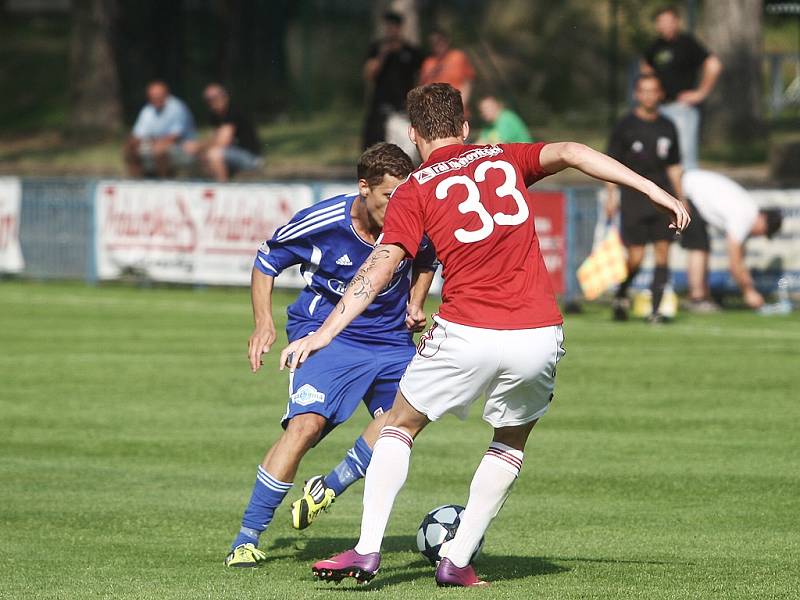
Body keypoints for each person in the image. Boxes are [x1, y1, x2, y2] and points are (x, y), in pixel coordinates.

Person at [281, 83, 689, 587]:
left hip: (467, 327)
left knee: (399, 425)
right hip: (538, 331)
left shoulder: (414, 188)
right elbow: (574, 151)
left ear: (413, 135)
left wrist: (324, 332)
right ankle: (457, 558)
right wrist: (654, 189)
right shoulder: (504, 156)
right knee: (511, 441)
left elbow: (381, 265)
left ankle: (366, 552)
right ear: (466, 128)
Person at [224, 143, 438, 568]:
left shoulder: (413, 218)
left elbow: (427, 258)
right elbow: (268, 259)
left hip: (392, 341)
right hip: (326, 336)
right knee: (305, 428)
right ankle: (247, 538)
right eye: (387, 197)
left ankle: (331, 486)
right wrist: (263, 321)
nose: (397, 206)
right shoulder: (325, 221)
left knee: (405, 422)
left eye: (403, 195)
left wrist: (415, 302)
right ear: (364, 188)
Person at [606, 74, 685, 323]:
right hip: (634, 196)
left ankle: (656, 310)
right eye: (644, 91)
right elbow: (610, 164)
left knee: (663, 253)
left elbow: (673, 165)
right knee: (636, 258)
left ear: (660, 94)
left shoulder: (668, 126)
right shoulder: (625, 125)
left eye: (654, 91)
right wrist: (610, 195)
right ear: (636, 95)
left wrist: (680, 198)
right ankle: (621, 293)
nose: (649, 95)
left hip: (662, 196)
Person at [681, 169, 783, 312]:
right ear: (763, 219)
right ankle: (697, 298)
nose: (759, 236)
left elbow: (740, 258)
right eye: (764, 232)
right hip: (686, 191)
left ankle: (701, 295)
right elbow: (734, 263)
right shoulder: (744, 217)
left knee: (702, 246)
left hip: (690, 189)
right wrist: (749, 292)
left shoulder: (747, 211)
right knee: (699, 247)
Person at [641, 5, 722, 170]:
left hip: (681, 109)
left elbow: (714, 65)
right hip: (659, 108)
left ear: (676, 22)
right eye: (661, 22)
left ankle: (685, 194)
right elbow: (645, 69)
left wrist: (701, 93)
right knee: (658, 155)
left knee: (684, 159)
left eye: (668, 21)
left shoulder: (687, 44)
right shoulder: (654, 47)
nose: (664, 26)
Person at [362, 11, 422, 149]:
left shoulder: (411, 51)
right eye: (388, 27)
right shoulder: (376, 48)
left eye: (394, 27)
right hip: (380, 104)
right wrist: (383, 54)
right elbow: (368, 74)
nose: (391, 30)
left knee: (404, 145)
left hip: (402, 104)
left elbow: (420, 76)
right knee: (375, 144)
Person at [124, 81, 198, 178]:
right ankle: (137, 182)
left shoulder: (177, 107)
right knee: (130, 149)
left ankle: (163, 182)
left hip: (181, 146)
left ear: (166, 95)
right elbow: (138, 134)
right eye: (153, 96)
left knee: (159, 150)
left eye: (158, 96)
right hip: (154, 143)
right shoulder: (148, 110)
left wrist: (158, 143)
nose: (156, 99)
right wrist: (132, 143)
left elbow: (176, 136)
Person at [202, 84, 262, 182]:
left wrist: (198, 146)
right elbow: (213, 138)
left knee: (214, 154)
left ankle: (223, 189)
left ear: (224, 96)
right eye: (208, 100)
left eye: (215, 98)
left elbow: (223, 142)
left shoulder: (233, 111)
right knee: (204, 156)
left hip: (251, 157)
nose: (212, 102)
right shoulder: (215, 116)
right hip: (233, 153)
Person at [419, 28, 476, 112]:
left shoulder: (458, 57)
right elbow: (424, 88)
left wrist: (461, 105)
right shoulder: (428, 63)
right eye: (433, 42)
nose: (437, 44)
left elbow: (468, 82)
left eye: (440, 40)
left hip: (457, 109)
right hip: (436, 112)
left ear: (447, 40)